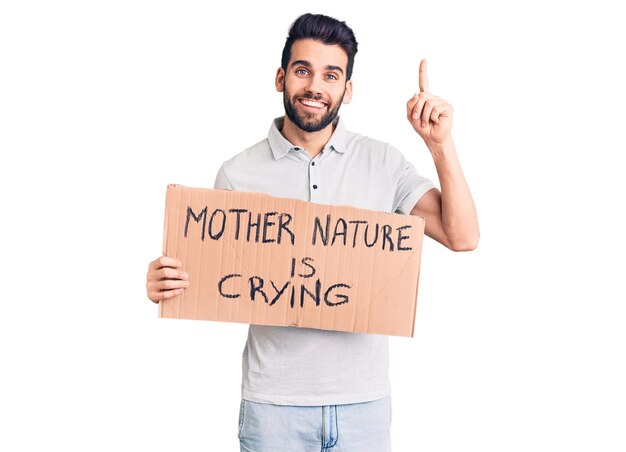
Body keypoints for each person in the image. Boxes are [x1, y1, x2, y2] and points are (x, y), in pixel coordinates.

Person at [146, 13, 479, 451]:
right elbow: (211, 275)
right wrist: (166, 282)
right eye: (302, 70)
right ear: (281, 78)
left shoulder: (383, 162)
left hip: (364, 404)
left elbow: (463, 236)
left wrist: (440, 145)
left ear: (348, 89)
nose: (315, 87)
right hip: (272, 407)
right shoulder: (237, 173)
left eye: (331, 75)